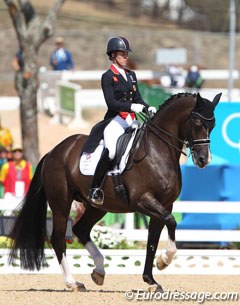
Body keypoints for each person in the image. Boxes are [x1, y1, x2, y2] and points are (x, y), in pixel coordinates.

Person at [82, 36, 157, 205]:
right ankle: (95, 188)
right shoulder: (108, 76)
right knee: (111, 150)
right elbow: (111, 102)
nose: (126, 56)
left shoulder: (131, 75)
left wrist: (147, 107)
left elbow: (138, 98)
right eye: (122, 54)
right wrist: (130, 107)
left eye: (126, 54)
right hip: (116, 119)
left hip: (132, 120)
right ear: (113, 55)